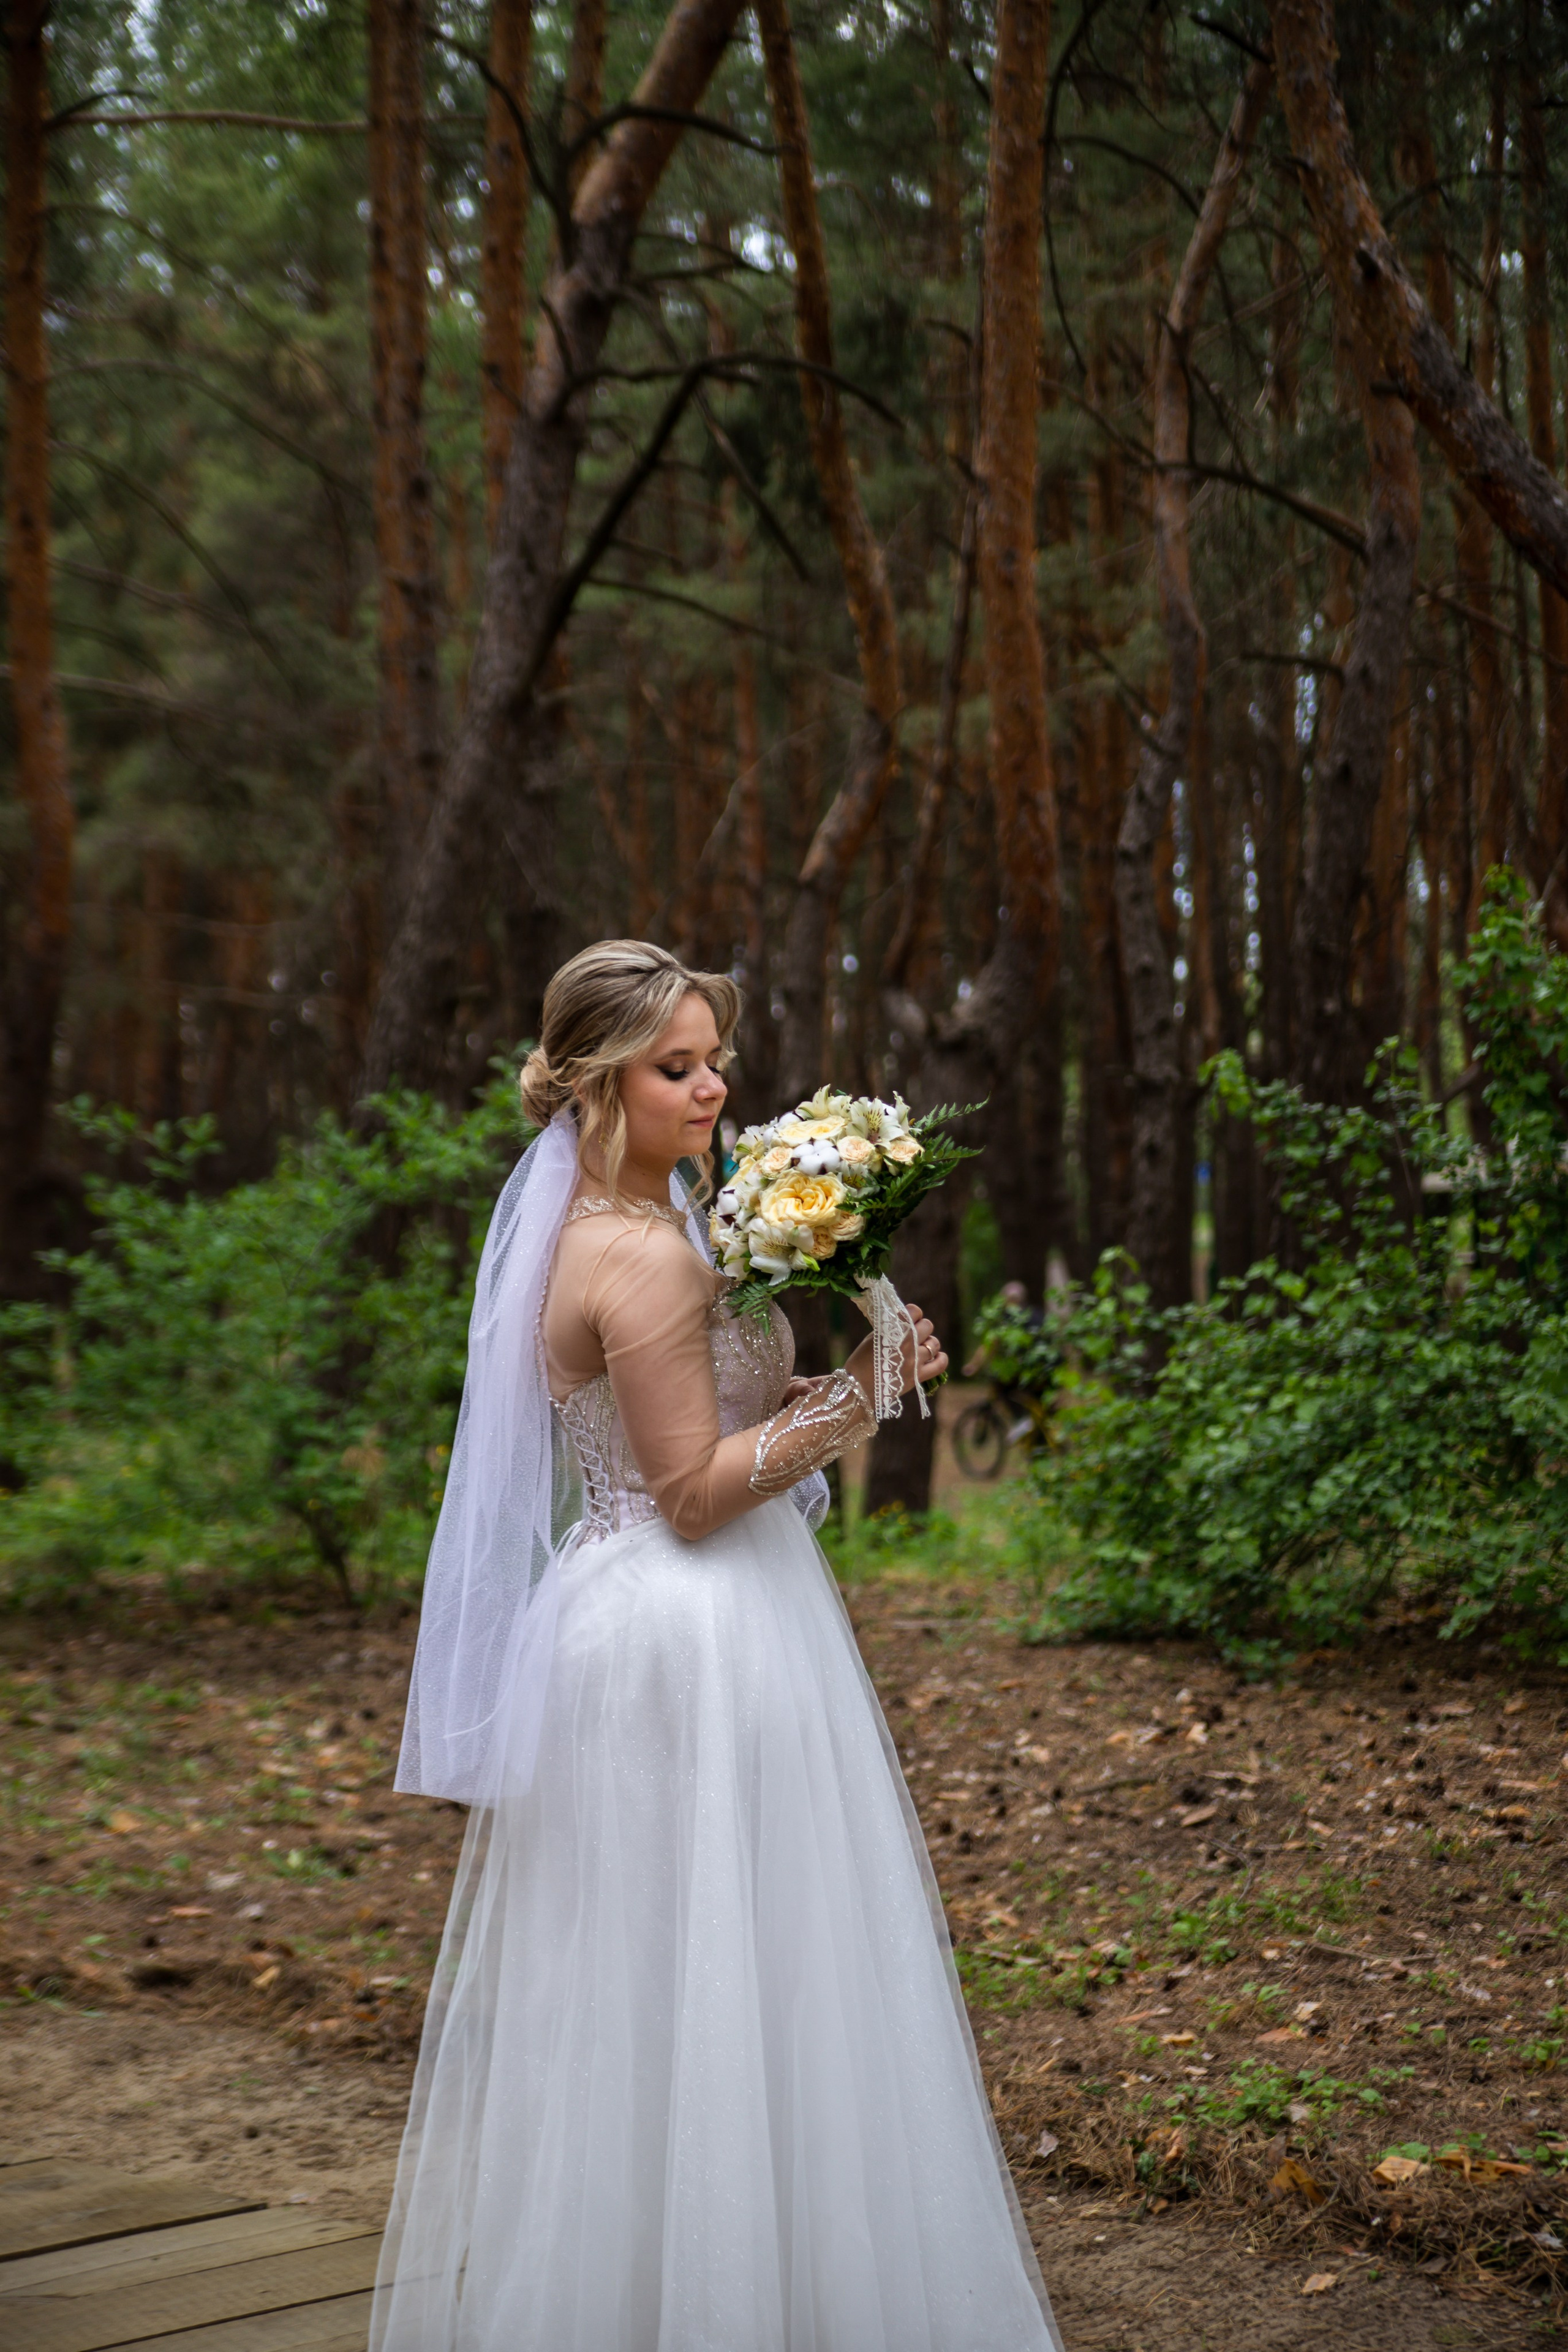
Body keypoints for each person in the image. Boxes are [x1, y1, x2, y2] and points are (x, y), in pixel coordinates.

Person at [369, 940, 1063, 2352]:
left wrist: (815, 1382)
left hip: (723, 1619)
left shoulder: (676, 1221)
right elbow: (686, 1492)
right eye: (673, 1067)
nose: (711, 1086)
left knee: (755, 1965)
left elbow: (694, 1420)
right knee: (682, 1979)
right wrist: (857, 1399)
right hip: (678, 1636)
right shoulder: (628, 1257)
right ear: (589, 1085)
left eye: (711, 1060)